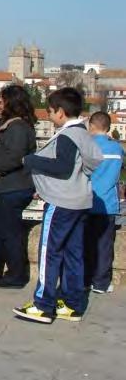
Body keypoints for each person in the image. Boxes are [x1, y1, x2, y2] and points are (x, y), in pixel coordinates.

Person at [14, 88, 102, 324]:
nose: (50, 117)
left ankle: (43, 304)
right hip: (80, 200)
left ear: (61, 113)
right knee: (74, 253)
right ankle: (73, 304)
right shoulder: (84, 134)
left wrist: (30, 160)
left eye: (51, 112)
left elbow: (62, 168)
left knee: (49, 251)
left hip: (62, 201)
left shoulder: (66, 136)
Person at [0, 85, 38, 289]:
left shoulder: (18, 128)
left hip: (13, 188)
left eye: (2, 101)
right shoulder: (12, 125)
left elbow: (15, 155)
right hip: (6, 189)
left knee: (9, 232)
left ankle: (16, 275)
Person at [84, 111, 124, 295]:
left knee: (84, 243)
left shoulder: (87, 147)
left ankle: (84, 279)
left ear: (91, 126)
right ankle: (100, 283)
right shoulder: (117, 149)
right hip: (108, 205)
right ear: (108, 127)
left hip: (85, 202)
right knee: (104, 245)